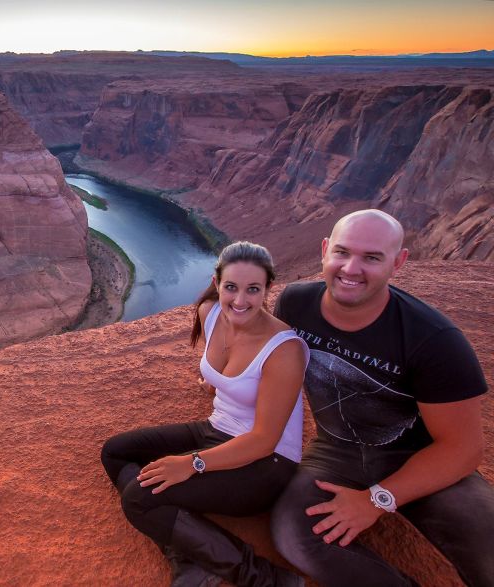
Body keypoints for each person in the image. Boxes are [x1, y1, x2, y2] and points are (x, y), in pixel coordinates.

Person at [271, 209, 493, 586]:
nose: (351, 268)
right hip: (336, 451)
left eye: (371, 258)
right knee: (295, 535)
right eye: (342, 252)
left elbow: (463, 449)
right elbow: (272, 359)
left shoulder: (434, 339)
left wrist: (375, 500)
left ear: (398, 263)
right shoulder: (295, 304)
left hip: (418, 457)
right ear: (325, 250)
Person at [101, 241, 309, 587]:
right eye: (231, 287)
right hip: (216, 429)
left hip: (265, 465)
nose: (240, 301)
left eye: (253, 289)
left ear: (267, 289)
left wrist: (190, 463)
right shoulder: (210, 314)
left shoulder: (283, 349)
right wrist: (215, 385)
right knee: (116, 451)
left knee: (139, 498)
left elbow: (264, 440)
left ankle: (264, 578)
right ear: (217, 281)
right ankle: (191, 557)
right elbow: (226, 377)